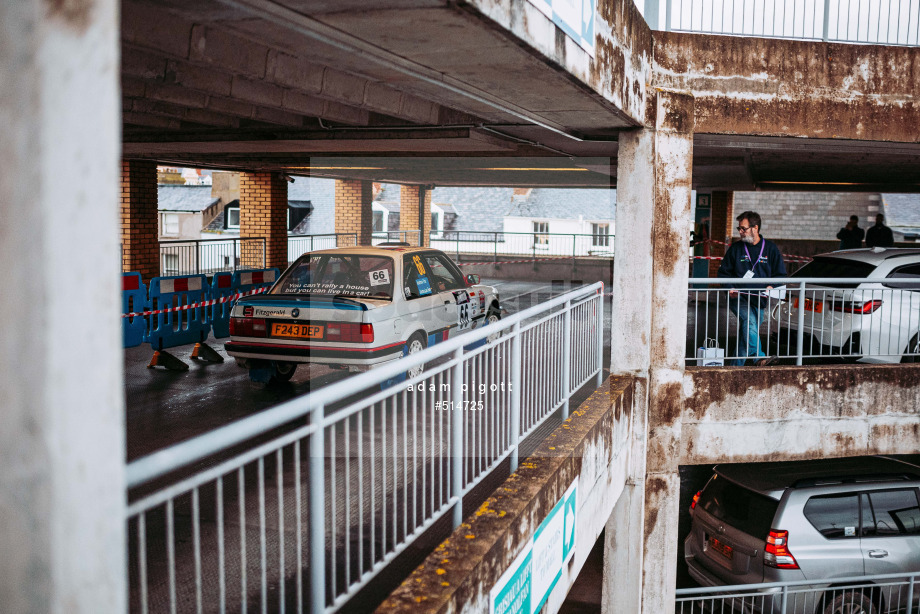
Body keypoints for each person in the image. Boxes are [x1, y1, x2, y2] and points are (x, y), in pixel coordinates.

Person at [717, 211, 787, 366]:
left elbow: (781, 275)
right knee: (750, 323)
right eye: (739, 228)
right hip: (739, 297)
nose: (740, 232)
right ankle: (759, 358)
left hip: (759, 298)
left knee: (748, 333)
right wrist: (730, 287)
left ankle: (734, 368)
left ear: (755, 228)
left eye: (744, 228)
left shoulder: (770, 249)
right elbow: (723, 273)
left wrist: (772, 285)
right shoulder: (736, 249)